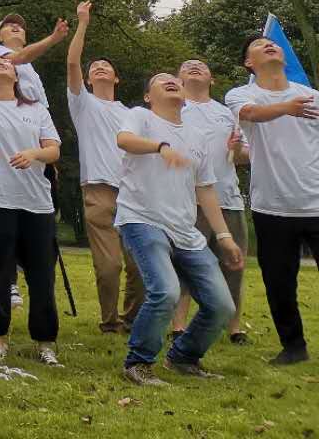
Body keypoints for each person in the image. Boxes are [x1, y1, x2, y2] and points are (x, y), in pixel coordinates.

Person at [116, 72, 242, 386]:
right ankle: (138, 363)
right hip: (142, 219)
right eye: (160, 80)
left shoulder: (198, 137)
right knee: (166, 291)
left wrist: (224, 236)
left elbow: (206, 190)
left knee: (222, 305)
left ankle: (183, 358)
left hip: (185, 230)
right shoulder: (140, 116)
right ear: (148, 95)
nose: (170, 80)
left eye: (174, 79)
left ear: (184, 94)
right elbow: (124, 141)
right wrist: (160, 146)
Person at [0, 22, 63, 366]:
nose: (2, 63)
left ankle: (45, 341)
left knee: (41, 276)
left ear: (18, 76)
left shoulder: (36, 109)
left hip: (38, 205)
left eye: (8, 62)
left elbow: (53, 150)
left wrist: (34, 154)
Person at [224, 36, 319, 366]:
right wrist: (286, 108)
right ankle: (293, 347)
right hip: (272, 207)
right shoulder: (241, 94)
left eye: (273, 44)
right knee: (279, 283)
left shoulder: (313, 98)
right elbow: (252, 114)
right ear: (248, 63)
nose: (269, 45)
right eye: (259, 44)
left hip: (316, 202)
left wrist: (295, 105)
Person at [66, 2, 141, 333]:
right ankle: (109, 322)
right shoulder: (83, 104)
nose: (98, 68)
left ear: (117, 77)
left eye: (105, 66)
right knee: (109, 265)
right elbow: (71, 61)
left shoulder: (133, 113)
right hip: (98, 191)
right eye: (93, 66)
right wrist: (82, 23)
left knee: (138, 265)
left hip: (135, 192)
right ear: (86, 77)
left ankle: (132, 320)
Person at [0, 12, 67, 310]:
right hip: (8, 139)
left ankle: (27, 278)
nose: (16, 25)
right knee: (7, 215)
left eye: (20, 23)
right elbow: (18, 58)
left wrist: (47, 156)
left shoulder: (31, 71)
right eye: (8, 25)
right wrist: (54, 38)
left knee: (39, 218)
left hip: (36, 143)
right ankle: (10, 281)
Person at [172, 59, 248, 344]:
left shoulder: (227, 114)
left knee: (234, 264)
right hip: (185, 200)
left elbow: (242, 158)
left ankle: (235, 328)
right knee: (185, 264)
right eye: (187, 65)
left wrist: (237, 148)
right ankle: (178, 326)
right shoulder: (172, 108)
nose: (193, 66)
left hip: (228, 197)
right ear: (178, 78)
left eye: (201, 65)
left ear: (212, 79)